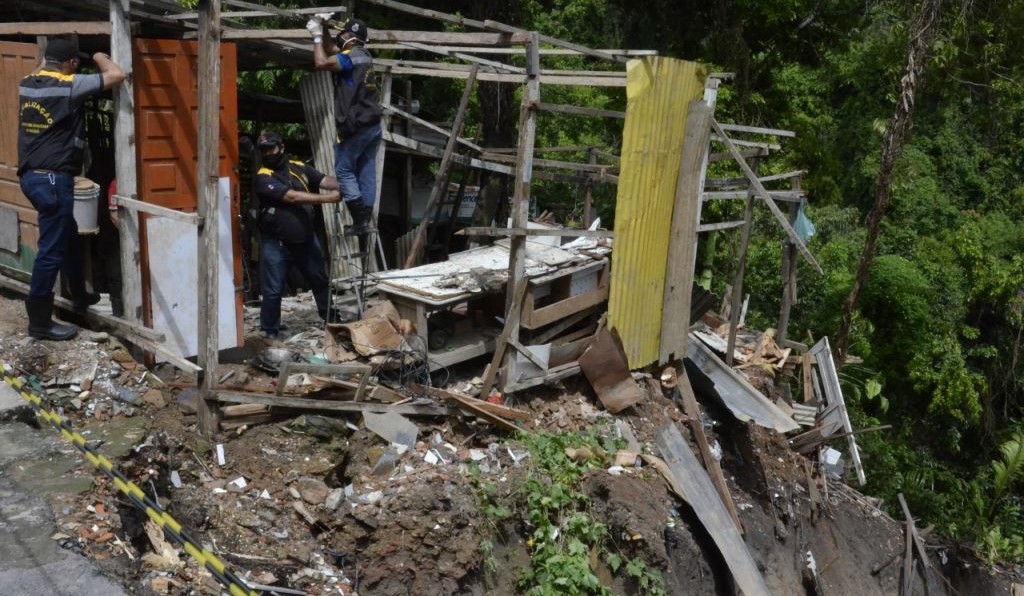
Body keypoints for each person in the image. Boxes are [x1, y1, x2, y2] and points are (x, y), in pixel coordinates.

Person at [17, 38, 125, 340]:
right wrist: (99, 54)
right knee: (50, 252)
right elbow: (116, 75)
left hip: (32, 178)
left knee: (69, 234)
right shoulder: (69, 86)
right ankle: (40, 322)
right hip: (53, 181)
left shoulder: (27, 84)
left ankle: (80, 293)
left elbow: (43, 69)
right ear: (72, 64)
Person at [254, 131, 341, 339]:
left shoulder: (298, 167)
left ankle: (333, 321)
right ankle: (270, 332)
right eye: (264, 150)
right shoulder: (263, 177)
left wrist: (345, 183)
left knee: (319, 280)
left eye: (271, 149)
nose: (268, 154)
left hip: (306, 239)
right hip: (277, 242)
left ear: (281, 148)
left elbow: (323, 180)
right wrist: (329, 199)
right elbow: (292, 197)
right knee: (274, 288)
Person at [307, 14, 382, 235]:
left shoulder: (349, 59)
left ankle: (359, 222)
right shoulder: (363, 56)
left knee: (344, 171)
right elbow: (332, 49)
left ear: (351, 37)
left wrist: (316, 36)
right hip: (373, 125)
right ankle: (365, 218)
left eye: (343, 33)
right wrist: (323, 27)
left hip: (355, 126)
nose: (340, 36)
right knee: (367, 171)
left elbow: (321, 61)